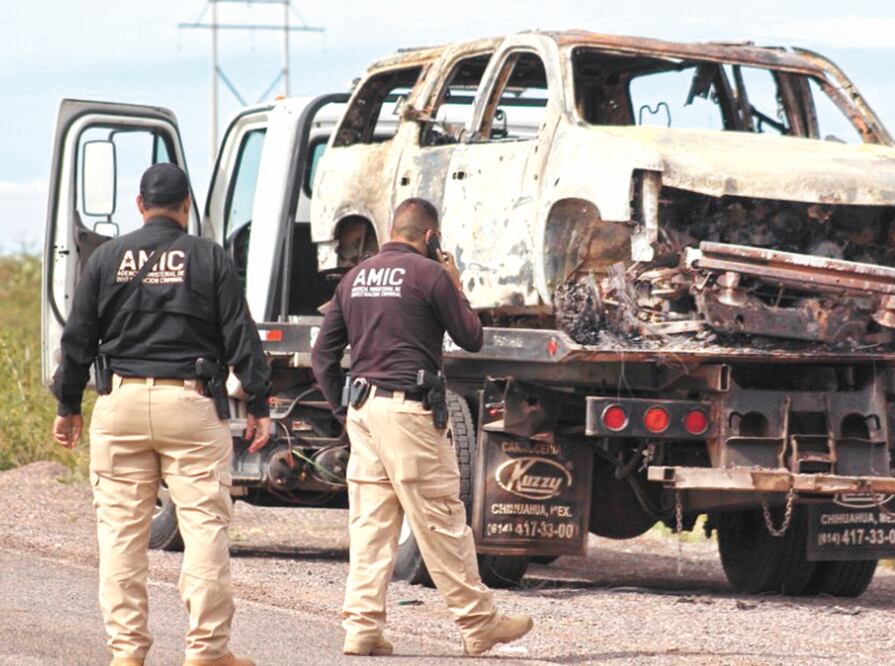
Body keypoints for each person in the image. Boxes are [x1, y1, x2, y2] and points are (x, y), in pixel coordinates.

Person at [51, 163, 273, 666]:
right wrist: (258, 404)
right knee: (203, 529)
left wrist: (68, 406)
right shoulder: (209, 258)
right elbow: (241, 334)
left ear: (139, 204)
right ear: (186, 206)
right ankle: (208, 650)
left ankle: (127, 653)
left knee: (121, 537)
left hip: (121, 403)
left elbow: (78, 339)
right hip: (190, 406)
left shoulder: (106, 258)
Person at [311, 198, 533, 657]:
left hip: (364, 412)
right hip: (407, 412)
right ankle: (479, 624)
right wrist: (455, 282)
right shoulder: (430, 275)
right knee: (442, 519)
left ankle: (363, 627)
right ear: (431, 237)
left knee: (372, 524)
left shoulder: (354, 278)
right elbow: (471, 337)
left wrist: (343, 411)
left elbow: (322, 356)